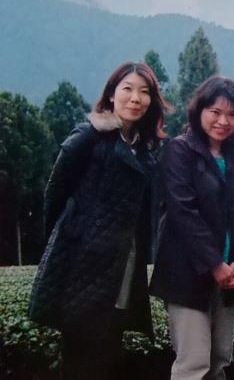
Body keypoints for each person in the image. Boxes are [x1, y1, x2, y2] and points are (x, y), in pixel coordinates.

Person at [29, 62, 169, 379]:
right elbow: (55, 194)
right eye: (127, 89)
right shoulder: (88, 137)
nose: (135, 98)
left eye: (144, 92)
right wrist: (66, 241)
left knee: (109, 353)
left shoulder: (145, 150)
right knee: (80, 358)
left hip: (123, 266)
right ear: (111, 95)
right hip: (80, 266)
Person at [150, 75, 234, 380]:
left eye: (232, 114)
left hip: (227, 276)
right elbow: (183, 212)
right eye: (215, 112)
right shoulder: (179, 150)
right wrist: (214, 263)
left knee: (220, 357)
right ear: (199, 111)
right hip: (186, 273)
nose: (223, 121)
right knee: (194, 362)